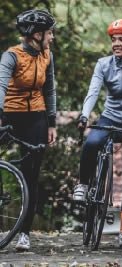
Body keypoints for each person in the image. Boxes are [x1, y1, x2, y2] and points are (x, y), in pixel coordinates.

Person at [72, 19, 122, 249]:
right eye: (114, 40)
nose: (116, 44)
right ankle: (84, 184)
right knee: (91, 143)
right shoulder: (103, 64)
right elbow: (93, 90)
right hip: (109, 118)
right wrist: (84, 115)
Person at [0, 9, 57, 251]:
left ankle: (24, 233)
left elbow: (50, 90)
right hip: (9, 113)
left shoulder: (47, 55)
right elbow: (1, 84)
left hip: (36, 116)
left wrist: (51, 122)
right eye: (49, 33)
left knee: (31, 173)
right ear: (36, 34)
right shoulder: (11, 56)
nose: (52, 37)